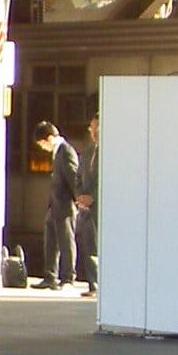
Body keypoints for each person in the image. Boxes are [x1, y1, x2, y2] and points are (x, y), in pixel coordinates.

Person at [34, 120, 80, 289]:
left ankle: (68, 277)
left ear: (50, 138)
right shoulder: (57, 152)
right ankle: (50, 276)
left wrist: (78, 199)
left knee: (66, 242)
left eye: (42, 143)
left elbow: (73, 177)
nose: (42, 148)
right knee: (51, 241)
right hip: (54, 205)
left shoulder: (66, 151)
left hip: (65, 205)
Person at [74, 113, 99, 296]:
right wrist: (80, 196)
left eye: (98, 127)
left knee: (102, 247)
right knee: (88, 246)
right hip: (85, 209)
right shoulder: (88, 151)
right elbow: (78, 177)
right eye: (92, 128)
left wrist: (94, 197)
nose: (94, 131)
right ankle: (93, 285)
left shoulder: (113, 152)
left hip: (100, 207)